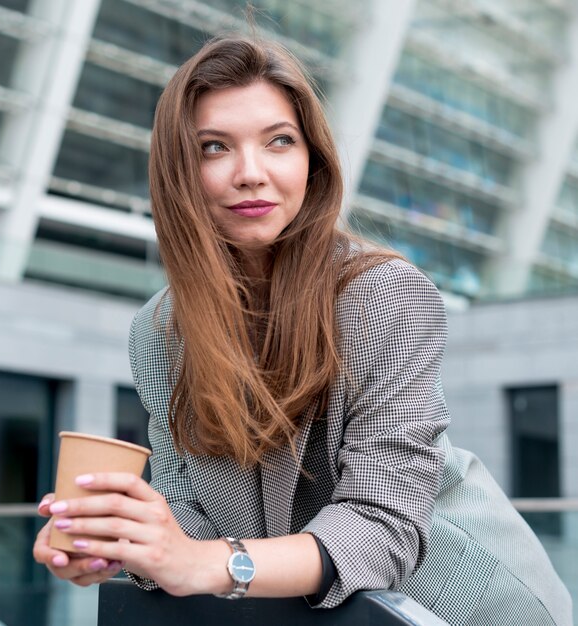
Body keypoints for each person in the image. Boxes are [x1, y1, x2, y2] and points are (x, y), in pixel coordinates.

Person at [33, 34, 572, 625]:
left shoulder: (384, 292)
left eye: (279, 142)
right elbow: (191, 527)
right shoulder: (159, 331)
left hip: (458, 601)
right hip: (302, 610)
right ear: (179, 172)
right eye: (214, 148)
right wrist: (118, 546)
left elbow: (380, 525)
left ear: (312, 160)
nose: (250, 173)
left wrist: (209, 563)